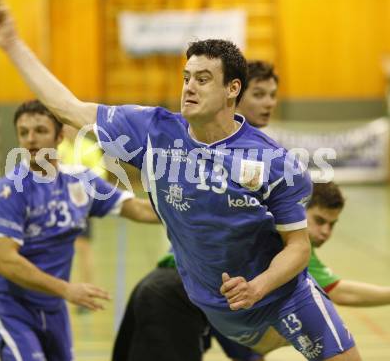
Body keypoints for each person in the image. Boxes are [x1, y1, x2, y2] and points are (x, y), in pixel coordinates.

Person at [0, 6, 361, 360]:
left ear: (232, 90)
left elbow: (297, 247)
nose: (189, 87)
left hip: (279, 296)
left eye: (203, 79)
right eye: (187, 77)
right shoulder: (153, 131)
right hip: (218, 307)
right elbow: (68, 107)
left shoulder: (273, 161)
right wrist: (12, 42)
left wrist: (259, 286)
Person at [112, 60, 278, 361]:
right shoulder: (196, 148)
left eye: (272, 95)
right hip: (177, 290)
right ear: (233, 93)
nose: (268, 103)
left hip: (212, 293)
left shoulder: (267, 160)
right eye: (258, 94)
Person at [0, 100, 159, 360]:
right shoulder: (7, 192)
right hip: (13, 307)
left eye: (40, 130)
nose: (31, 139)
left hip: (54, 308)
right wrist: (67, 289)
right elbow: (7, 263)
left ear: (60, 136)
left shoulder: (80, 181)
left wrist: (191, 213)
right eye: (24, 132)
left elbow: (139, 210)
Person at [58, 124, 107, 301]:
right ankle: (62, 290)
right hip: (60, 206)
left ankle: (88, 293)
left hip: (81, 206)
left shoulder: (89, 148)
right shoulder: (58, 149)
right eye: (65, 128)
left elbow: (101, 176)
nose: (69, 131)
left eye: (72, 127)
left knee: (83, 248)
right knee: (61, 250)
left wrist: (79, 179)